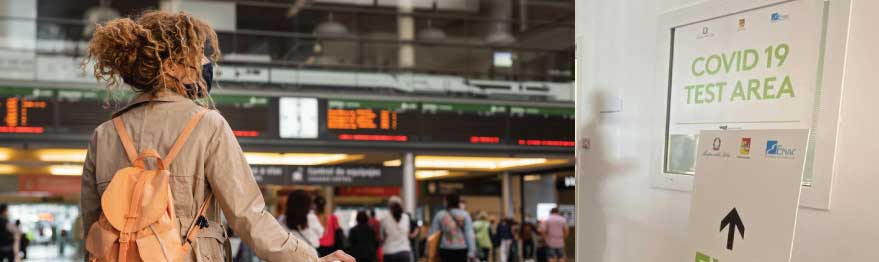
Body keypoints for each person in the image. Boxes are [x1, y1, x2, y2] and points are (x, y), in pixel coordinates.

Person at [79, 10, 353, 262]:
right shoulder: (207, 124)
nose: (204, 63)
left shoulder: (103, 135)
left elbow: (93, 229)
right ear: (172, 66)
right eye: (195, 56)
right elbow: (248, 215)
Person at [429, 194, 476, 262]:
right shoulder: (465, 215)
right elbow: (469, 234)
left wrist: (429, 251)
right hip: (462, 249)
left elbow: (433, 234)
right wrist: (472, 251)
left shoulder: (440, 215)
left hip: (445, 249)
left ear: (447, 202)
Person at [381, 197, 412, 262]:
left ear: (389, 207)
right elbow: (407, 233)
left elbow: (382, 237)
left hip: (389, 253)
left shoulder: (385, 218)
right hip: (404, 252)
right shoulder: (406, 217)